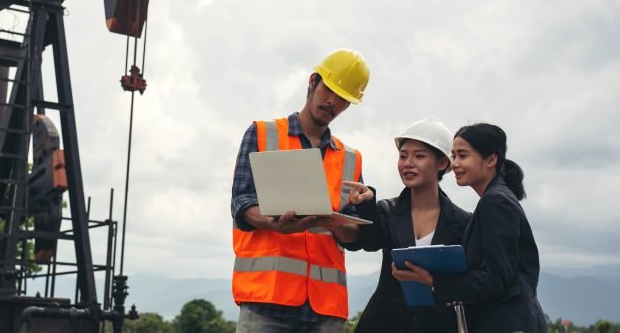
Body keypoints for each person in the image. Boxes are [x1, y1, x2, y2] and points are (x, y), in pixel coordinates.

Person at [230, 48, 370, 333]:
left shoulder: (351, 158)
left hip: (326, 308)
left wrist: (337, 222)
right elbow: (242, 202)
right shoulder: (262, 133)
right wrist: (274, 224)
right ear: (312, 82)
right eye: (329, 90)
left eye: (343, 98)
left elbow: (355, 238)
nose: (333, 101)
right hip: (267, 300)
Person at [392, 123, 548, 333]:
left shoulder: (496, 202)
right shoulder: (494, 200)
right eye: (453, 156)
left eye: (463, 156)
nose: (455, 164)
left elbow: (496, 278)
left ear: (491, 160)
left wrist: (432, 280)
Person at [340, 117, 471, 333]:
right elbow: (370, 241)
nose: (408, 163)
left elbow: (467, 282)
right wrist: (366, 205)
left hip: (436, 326)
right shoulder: (386, 210)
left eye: (419, 156)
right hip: (383, 323)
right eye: (403, 156)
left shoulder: (463, 222)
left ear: (442, 163)